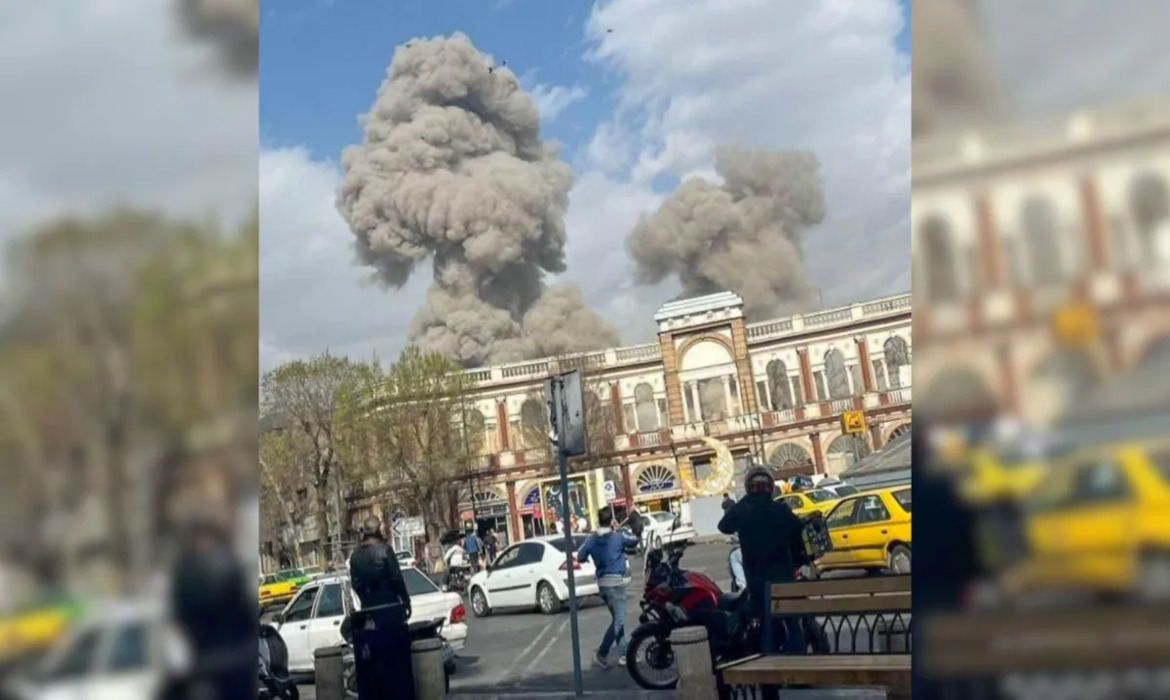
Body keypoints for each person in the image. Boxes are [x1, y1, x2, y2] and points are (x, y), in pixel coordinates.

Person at [167, 506, 256, 700]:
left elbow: (181, 618)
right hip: (237, 661)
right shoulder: (231, 567)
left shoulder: (187, 573)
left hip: (209, 664)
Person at [718, 467, 809, 654]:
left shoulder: (743, 510)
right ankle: (798, 658)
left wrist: (744, 504)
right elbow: (797, 529)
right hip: (784, 579)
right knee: (792, 622)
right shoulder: (780, 510)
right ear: (771, 487)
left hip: (757, 582)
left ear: (748, 488)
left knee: (763, 624)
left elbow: (724, 526)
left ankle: (767, 657)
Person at [348, 516, 414, 700]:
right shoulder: (385, 551)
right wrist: (406, 602)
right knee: (396, 665)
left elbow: (356, 584)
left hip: (369, 612)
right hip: (390, 612)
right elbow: (397, 579)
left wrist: (366, 599)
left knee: (372, 667)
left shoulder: (355, 556)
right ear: (378, 530)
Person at [577, 509, 639, 669]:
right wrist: (621, 529)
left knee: (617, 618)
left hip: (602, 584)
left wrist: (590, 557)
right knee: (620, 619)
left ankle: (625, 654)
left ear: (598, 521)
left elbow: (580, 556)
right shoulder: (617, 537)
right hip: (615, 583)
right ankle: (602, 654)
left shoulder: (591, 539)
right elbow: (634, 540)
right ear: (611, 521)